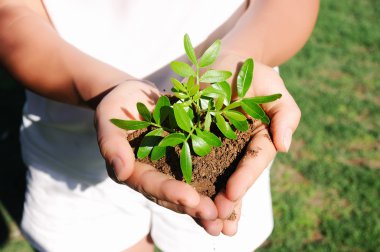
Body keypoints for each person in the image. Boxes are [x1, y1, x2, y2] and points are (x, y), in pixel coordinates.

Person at [0, 0, 319, 251]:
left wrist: (239, 57)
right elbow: (10, 11)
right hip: (69, 147)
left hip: (227, 113)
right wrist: (102, 88)